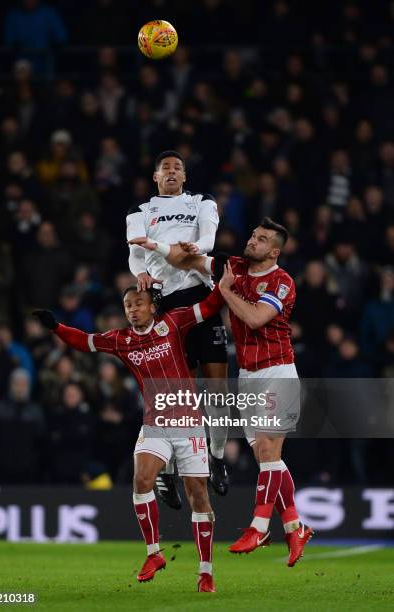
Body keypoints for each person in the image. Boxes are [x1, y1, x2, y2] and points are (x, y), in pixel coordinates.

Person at [131, 217, 314, 567]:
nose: (253, 240)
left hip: (278, 370)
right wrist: (159, 249)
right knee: (267, 458)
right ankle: (295, 526)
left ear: (274, 251)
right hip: (248, 375)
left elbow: (256, 318)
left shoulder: (282, 282)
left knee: (267, 450)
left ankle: (259, 527)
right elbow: (191, 262)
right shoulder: (235, 267)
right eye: (253, 234)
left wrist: (226, 291)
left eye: (261, 239)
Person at [33, 284, 226, 592]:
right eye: (128, 306)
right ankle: (154, 554)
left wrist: (223, 281)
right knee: (141, 480)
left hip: (189, 422)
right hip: (156, 422)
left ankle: (206, 572)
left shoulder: (173, 322)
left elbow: (209, 306)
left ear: (152, 307)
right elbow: (85, 342)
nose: (133, 309)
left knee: (197, 495)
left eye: (139, 303)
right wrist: (57, 327)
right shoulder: (121, 340)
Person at [126, 150, 229, 507]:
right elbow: (135, 252)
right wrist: (138, 271)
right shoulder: (140, 212)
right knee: (171, 396)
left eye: (178, 168)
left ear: (184, 177)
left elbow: (210, 240)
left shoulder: (201, 202)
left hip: (200, 296)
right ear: (155, 177)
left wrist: (196, 249)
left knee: (217, 389)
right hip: (165, 303)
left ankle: (216, 456)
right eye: (165, 168)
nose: (172, 172)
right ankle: (166, 471)